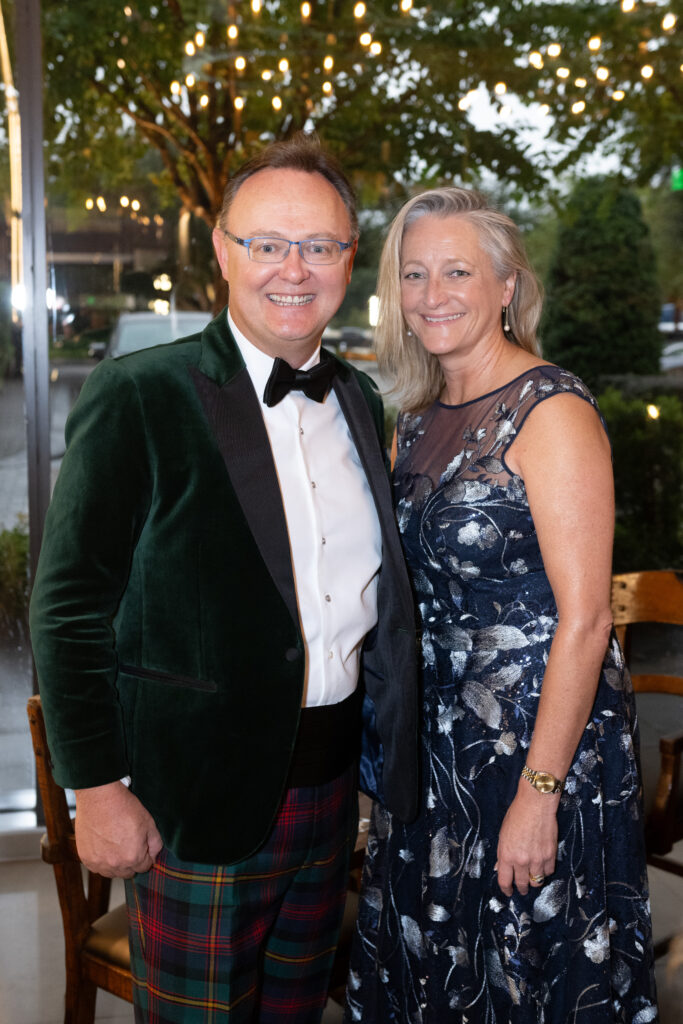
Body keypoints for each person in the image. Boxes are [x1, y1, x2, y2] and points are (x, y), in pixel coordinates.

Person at [29, 132, 419, 1024]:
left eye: (320, 245)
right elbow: (68, 608)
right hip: (191, 804)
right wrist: (96, 789)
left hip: (328, 803)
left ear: (348, 261)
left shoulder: (357, 399)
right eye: (267, 243)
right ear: (221, 251)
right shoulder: (140, 394)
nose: (294, 267)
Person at [345, 187, 658, 1022]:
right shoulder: (411, 421)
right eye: (414, 274)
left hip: (537, 746)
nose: (433, 293)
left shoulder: (550, 411)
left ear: (505, 287)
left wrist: (539, 792)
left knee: (528, 974)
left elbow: (587, 620)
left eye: (457, 270)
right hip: (435, 753)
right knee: (437, 970)